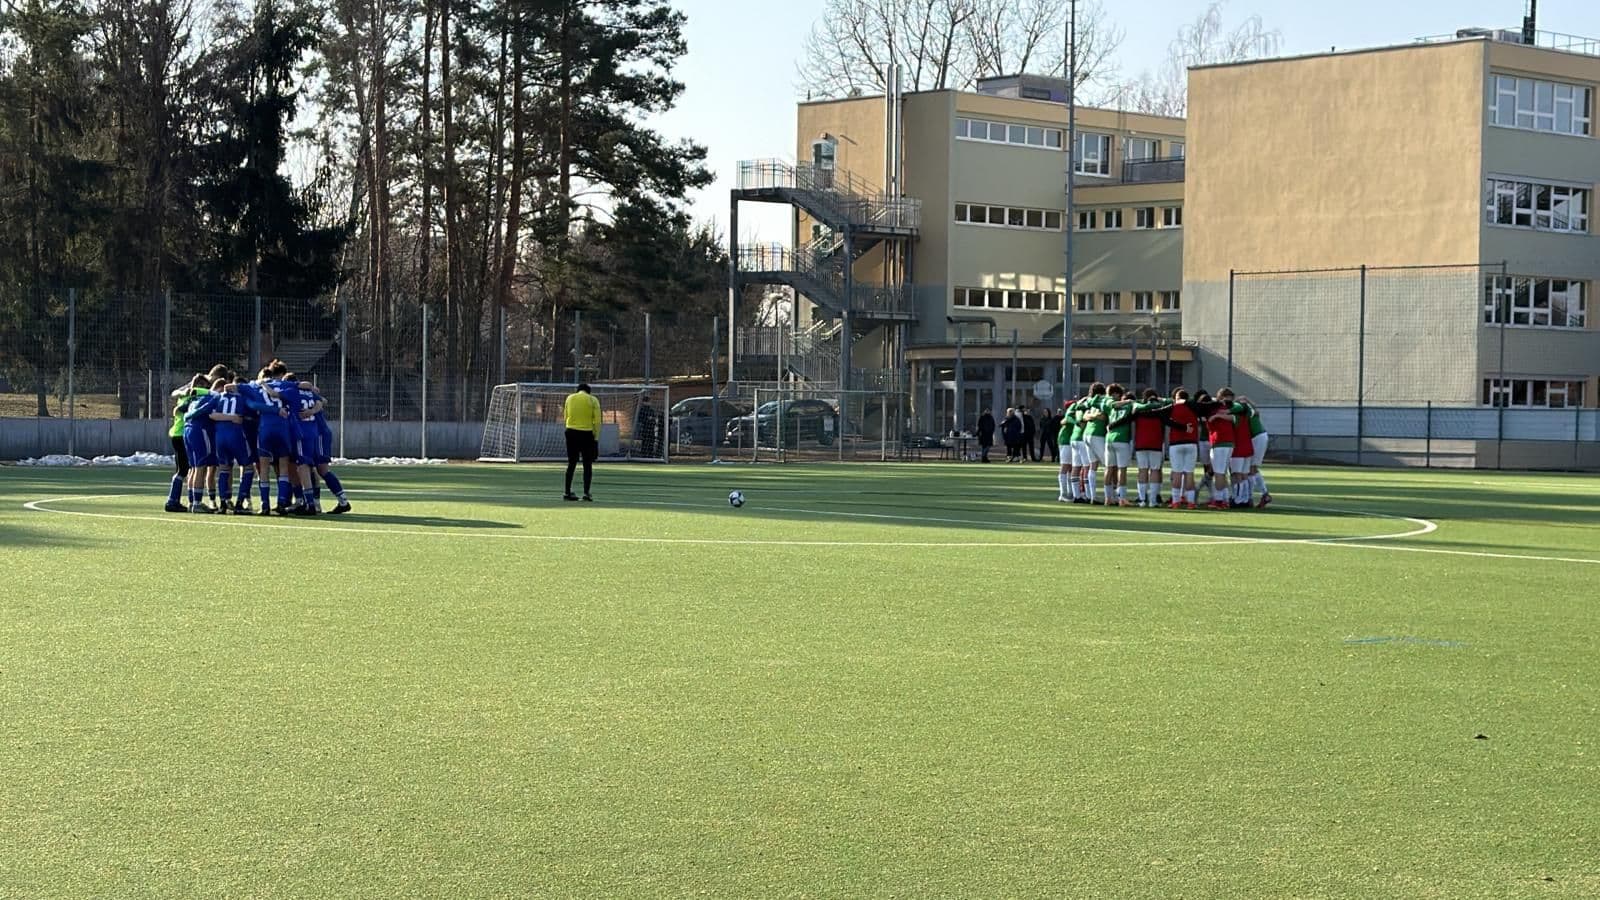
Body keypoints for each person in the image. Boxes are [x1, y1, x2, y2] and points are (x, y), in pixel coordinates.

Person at [164, 374, 210, 512]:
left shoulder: (185, 395)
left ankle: (175, 500)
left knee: (185, 469)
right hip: (182, 434)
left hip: (177, 434)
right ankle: (172, 501)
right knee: (183, 469)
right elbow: (178, 410)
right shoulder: (192, 398)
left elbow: (175, 393)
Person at [564, 383, 602, 500]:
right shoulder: (592, 400)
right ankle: (586, 492)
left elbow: (566, 416)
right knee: (587, 464)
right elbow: (597, 420)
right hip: (586, 433)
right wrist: (596, 438)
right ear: (588, 391)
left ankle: (567, 492)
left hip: (571, 432)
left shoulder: (569, 398)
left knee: (571, 463)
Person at [1165, 389, 1201, 509]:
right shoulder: (1193, 408)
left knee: (1177, 472)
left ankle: (1176, 500)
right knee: (1189, 473)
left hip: (1176, 443)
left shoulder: (1173, 408)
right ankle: (1191, 501)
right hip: (1191, 442)